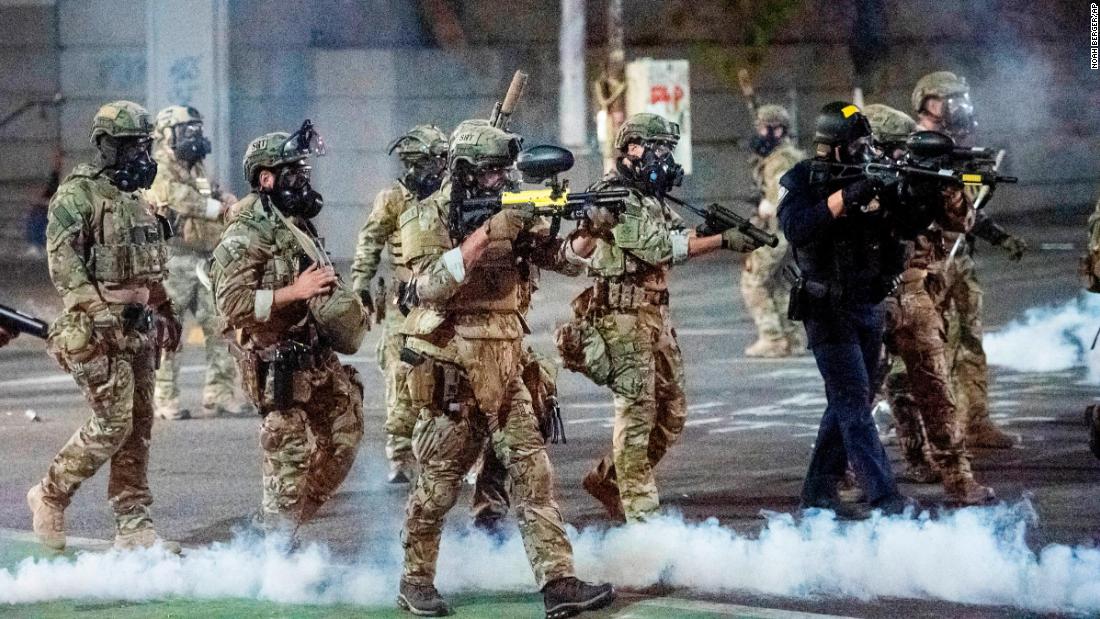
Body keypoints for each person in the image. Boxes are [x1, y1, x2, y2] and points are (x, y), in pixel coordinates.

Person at [396, 118, 614, 617]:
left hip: (507, 369)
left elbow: (562, 258)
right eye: (494, 172)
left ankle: (558, 583)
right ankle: (414, 580)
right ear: (468, 171)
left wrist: (588, 231)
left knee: (533, 476)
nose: (504, 181)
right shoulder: (426, 216)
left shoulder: (513, 210)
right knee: (436, 489)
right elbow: (426, 286)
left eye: (506, 172)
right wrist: (486, 233)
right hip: (452, 371)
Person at [558, 112, 762, 523]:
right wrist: (721, 240)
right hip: (622, 320)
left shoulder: (647, 198)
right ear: (633, 148)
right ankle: (646, 526)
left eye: (669, 150)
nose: (666, 158)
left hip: (654, 318)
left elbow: (677, 235)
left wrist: (710, 231)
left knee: (670, 415)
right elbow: (655, 249)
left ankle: (609, 480)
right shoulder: (614, 196)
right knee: (636, 420)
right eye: (660, 149)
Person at [28, 100, 182, 552]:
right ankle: (50, 493)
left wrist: (166, 310)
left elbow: (148, 271)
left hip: (139, 328)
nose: (140, 154)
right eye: (130, 145)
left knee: (138, 425)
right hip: (96, 330)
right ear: (106, 146)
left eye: (143, 145)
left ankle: (134, 526)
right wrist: (98, 317)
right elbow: (65, 265)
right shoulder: (78, 195)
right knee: (113, 422)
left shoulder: (138, 201)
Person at [210, 125, 365, 532]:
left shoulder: (295, 224)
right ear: (266, 179)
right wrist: (292, 292)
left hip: (314, 354)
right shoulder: (246, 233)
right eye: (293, 172)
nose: (304, 180)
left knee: (345, 434)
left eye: (305, 170)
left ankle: (286, 523)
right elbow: (231, 303)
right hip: (275, 363)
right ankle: (276, 547)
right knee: (288, 461)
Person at [777, 101, 913, 517]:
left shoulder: (870, 175)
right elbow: (796, 227)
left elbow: (905, 230)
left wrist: (898, 192)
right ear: (834, 147)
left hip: (867, 304)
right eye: (857, 144)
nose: (865, 151)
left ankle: (817, 493)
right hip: (826, 308)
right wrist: (848, 195)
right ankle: (884, 497)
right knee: (854, 401)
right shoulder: (802, 178)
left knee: (849, 399)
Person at [868, 103, 995, 505]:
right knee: (860, 396)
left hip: (914, 290)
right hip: (870, 296)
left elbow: (964, 223)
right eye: (894, 150)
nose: (901, 157)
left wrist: (946, 187)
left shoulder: (916, 180)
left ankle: (957, 477)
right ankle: (847, 472)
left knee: (935, 388)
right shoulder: (860, 181)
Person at [912, 71, 1027, 449]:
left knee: (970, 342)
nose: (957, 106)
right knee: (932, 348)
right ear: (927, 102)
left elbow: (966, 210)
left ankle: (975, 420)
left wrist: (998, 235)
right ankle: (932, 433)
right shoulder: (915, 146)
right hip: (929, 262)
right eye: (949, 98)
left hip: (960, 262)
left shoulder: (957, 147)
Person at [350, 124, 448, 483]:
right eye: (434, 161)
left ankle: (451, 453)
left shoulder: (449, 194)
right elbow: (370, 239)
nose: (440, 168)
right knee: (399, 375)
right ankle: (400, 455)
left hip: (441, 296)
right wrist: (360, 284)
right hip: (402, 301)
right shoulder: (393, 198)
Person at [147, 105, 249, 420]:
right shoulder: (159, 168)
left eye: (195, 130)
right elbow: (182, 200)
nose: (194, 137)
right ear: (166, 136)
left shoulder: (197, 168)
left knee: (220, 325)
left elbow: (214, 193)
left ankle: (219, 393)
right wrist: (220, 208)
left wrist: (228, 199)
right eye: (185, 131)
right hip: (174, 260)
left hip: (206, 259)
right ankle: (164, 398)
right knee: (169, 330)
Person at [741, 104, 806, 357]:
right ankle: (793, 339)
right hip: (791, 232)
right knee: (779, 284)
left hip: (776, 232)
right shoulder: (792, 156)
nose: (759, 133)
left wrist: (765, 206)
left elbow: (779, 196)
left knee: (753, 281)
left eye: (763, 128)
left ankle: (772, 338)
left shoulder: (780, 160)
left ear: (777, 130)